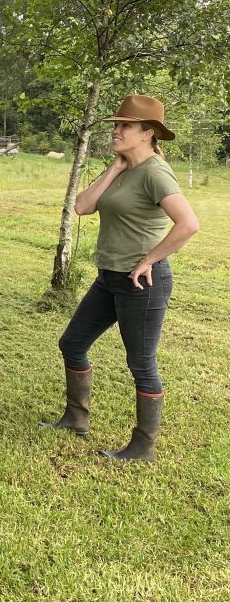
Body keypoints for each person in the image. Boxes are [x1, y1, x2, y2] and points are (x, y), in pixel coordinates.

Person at [41, 94, 199, 462]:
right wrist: (115, 167)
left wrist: (150, 259)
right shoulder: (126, 167)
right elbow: (82, 207)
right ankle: (76, 419)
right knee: (73, 342)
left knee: (141, 363)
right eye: (116, 124)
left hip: (141, 282)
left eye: (124, 125)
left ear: (148, 133)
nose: (115, 130)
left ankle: (143, 446)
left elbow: (189, 224)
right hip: (109, 277)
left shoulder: (156, 172)